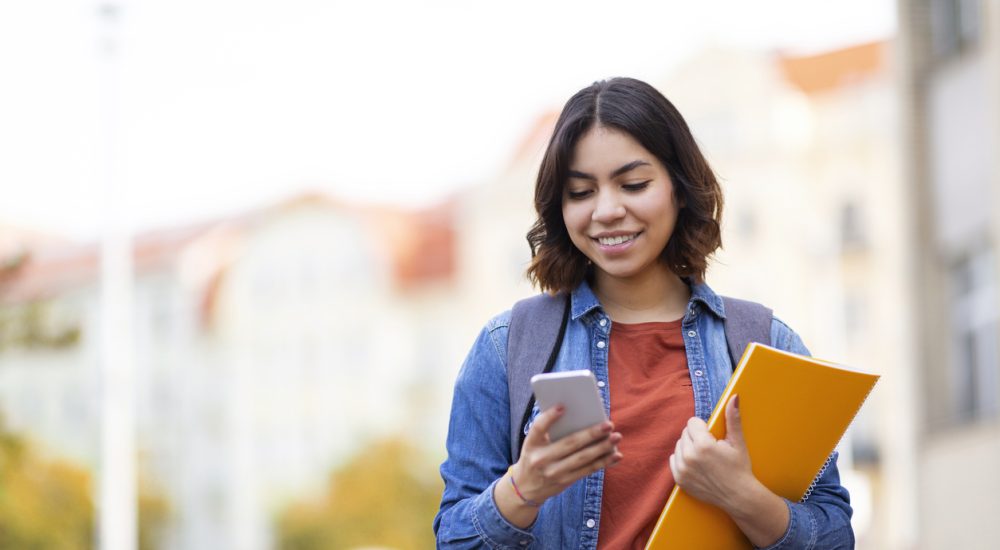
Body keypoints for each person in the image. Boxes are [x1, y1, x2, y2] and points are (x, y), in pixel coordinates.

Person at [433, 77, 854, 549]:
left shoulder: (766, 343)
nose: (607, 210)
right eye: (580, 192)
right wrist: (523, 489)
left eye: (633, 184)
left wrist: (741, 496)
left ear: (678, 187)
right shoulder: (507, 346)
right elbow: (455, 541)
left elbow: (835, 538)